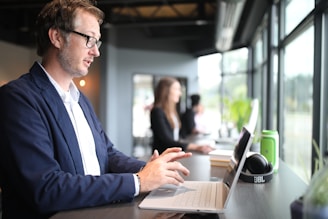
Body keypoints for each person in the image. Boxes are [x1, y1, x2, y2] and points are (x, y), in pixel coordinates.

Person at [0, 1, 192, 218]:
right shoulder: (18, 98)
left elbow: (107, 154)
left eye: (97, 42)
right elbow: (47, 188)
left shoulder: (80, 99)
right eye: (89, 39)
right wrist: (138, 181)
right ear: (57, 37)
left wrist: (150, 169)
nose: (96, 52)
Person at [150, 77, 214, 154]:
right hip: (162, 156)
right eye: (176, 89)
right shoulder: (157, 111)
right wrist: (196, 147)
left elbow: (176, 137)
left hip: (172, 154)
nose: (180, 93)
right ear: (166, 91)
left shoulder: (172, 111)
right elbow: (167, 141)